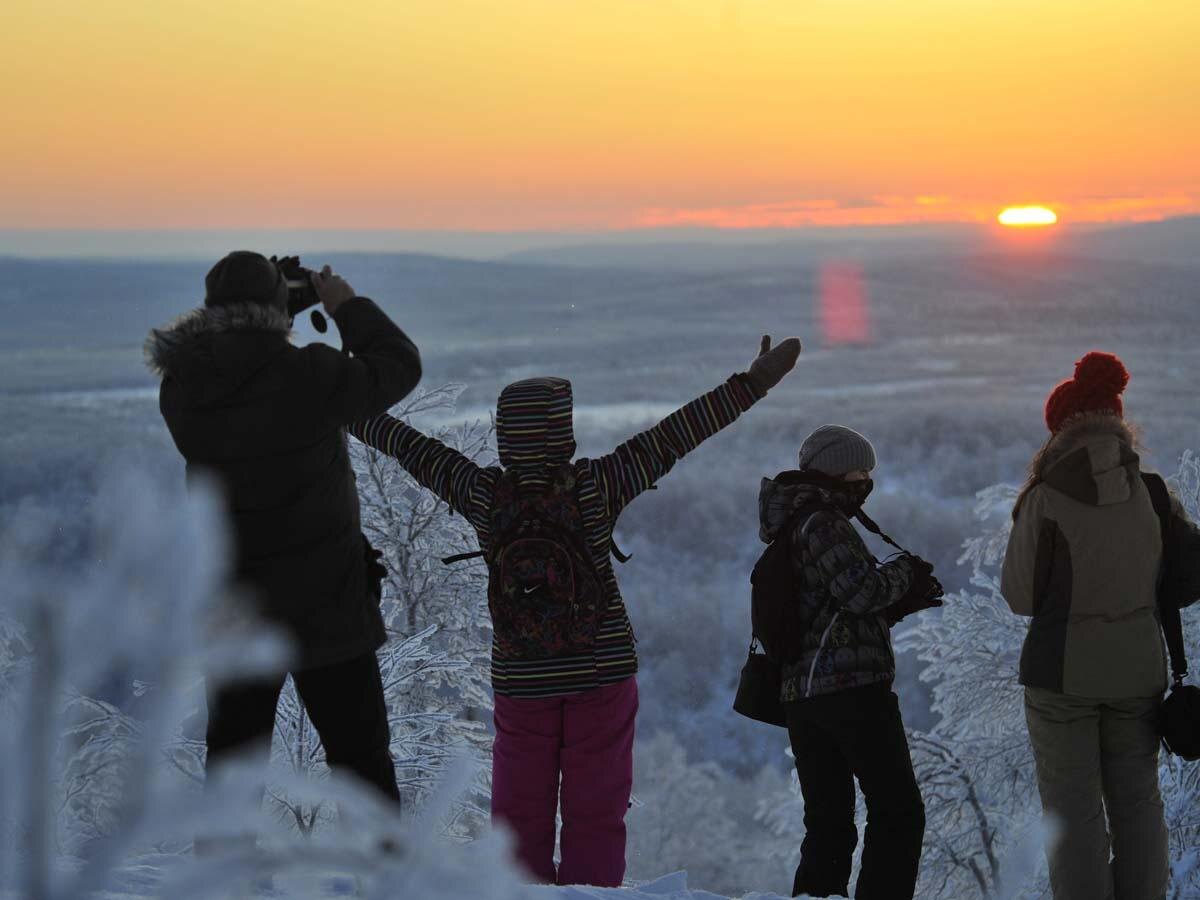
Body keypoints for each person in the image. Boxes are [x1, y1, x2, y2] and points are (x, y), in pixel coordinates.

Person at [347, 335, 801, 886]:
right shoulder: (596, 485)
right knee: (595, 815)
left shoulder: (484, 495)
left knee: (517, 820)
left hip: (520, 679)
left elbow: (408, 446)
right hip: (601, 673)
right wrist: (752, 384)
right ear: (563, 433)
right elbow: (677, 435)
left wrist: (337, 403)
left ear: (506, 436)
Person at [146, 251, 422, 806]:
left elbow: (233, 354)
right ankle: (389, 886)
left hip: (235, 609)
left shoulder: (182, 390)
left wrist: (271, 306)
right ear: (275, 309)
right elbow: (398, 363)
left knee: (231, 771)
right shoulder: (310, 376)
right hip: (329, 606)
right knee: (362, 767)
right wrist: (346, 306)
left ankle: (223, 889)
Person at [1001, 351, 1200, 900]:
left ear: (1057, 430)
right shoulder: (1153, 493)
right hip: (1138, 671)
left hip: (1062, 677)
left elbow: (1019, 597)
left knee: (1073, 814)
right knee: (1139, 804)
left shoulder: (1044, 499)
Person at [758, 425, 941, 899]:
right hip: (851, 691)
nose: (867, 479)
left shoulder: (795, 523)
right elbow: (861, 591)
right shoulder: (823, 521)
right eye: (861, 469)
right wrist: (907, 572)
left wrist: (896, 603)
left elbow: (828, 607)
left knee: (828, 824)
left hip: (803, 693)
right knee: (898, 810)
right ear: (837, 470)